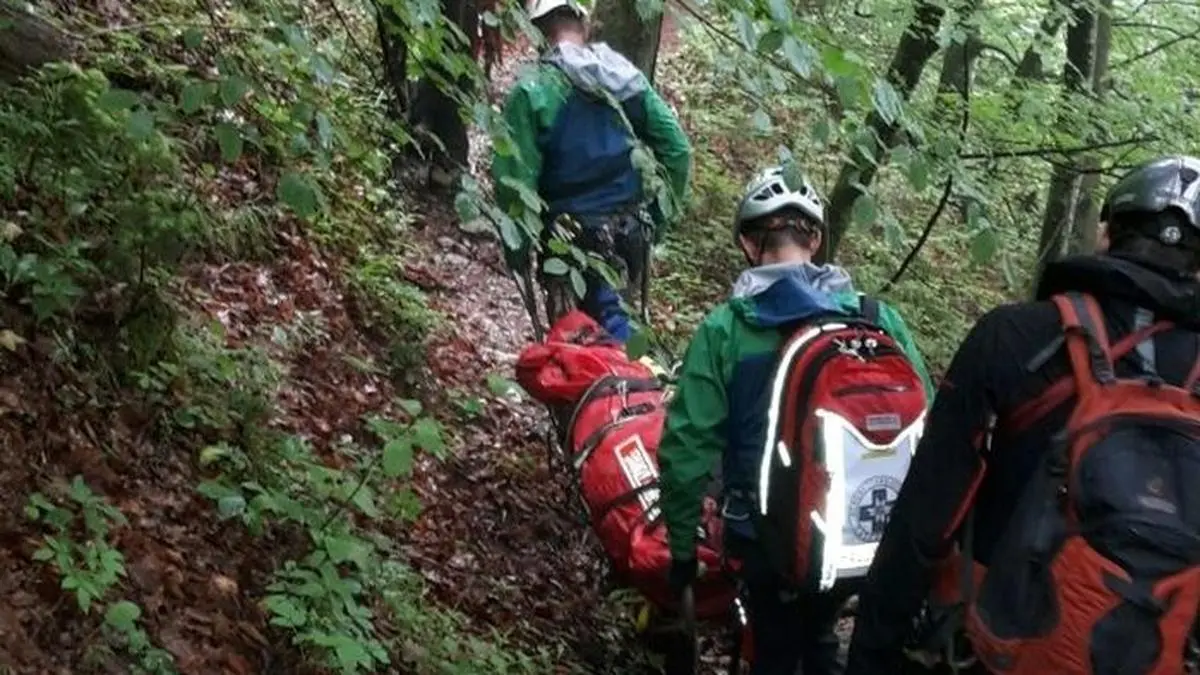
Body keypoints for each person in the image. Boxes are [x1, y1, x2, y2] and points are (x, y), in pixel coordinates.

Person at [845, 155, 1200, 675]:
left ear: (1106, 234)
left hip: (991, 647)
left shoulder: (1015, 337)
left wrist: (873, 650)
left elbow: (926, 516)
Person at [658, 166, 934, 675]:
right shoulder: (877, 318)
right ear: (816, 240)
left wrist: (680, 553)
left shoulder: (728, 329)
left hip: (770, 544)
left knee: (778, 645)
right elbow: (930, 427)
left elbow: (686, 447)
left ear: (747, 242)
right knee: (820, 630)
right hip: (867, 536)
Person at [491, 0, 691, 342]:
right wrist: (656, 221)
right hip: (630, 237)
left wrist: (518, 250)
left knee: (575, 352)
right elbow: (678, 150)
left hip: (567, 243)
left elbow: (515, 181)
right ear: (584, 25)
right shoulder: (625, 79)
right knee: (621, 334)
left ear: (538, 29)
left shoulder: (533, 90)